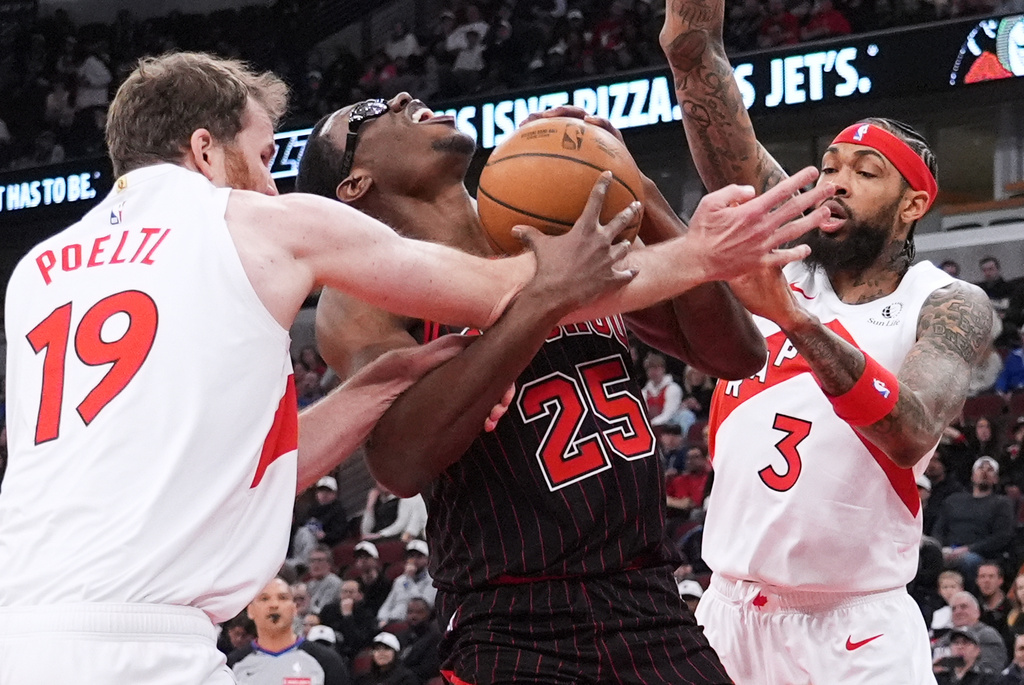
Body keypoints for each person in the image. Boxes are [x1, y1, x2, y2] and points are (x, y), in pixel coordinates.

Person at [0, 51, 641, 685]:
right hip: (148, 640)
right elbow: (504, 288)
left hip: (19, 631)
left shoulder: (36, 273)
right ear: (204, 151)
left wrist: (381, 384)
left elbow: (256, 466)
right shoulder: (253, 229)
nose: (269, 185)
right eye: (261, 158)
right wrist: (680, 245)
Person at [301, 91, 836, 682]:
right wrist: (544, 300)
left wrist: (630, 182)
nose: (403, 98)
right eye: (370, 112)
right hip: (511, 619)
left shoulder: (553, 222)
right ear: (354, 183)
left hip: (647, 600)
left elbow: (735, 354)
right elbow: (400, 460)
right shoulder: (364, 293)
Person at [659, 1, 995, 683]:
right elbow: (705, 82)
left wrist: (793, 318)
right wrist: (688, 43)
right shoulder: (787, 254)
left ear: (912, 205)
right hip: (727, 612)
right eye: (831, 165)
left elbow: (911, 432)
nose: (837, 181)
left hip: (855, 629)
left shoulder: (945, 301)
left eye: (866, 173)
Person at [227, 577, 351, 685]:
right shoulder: (233, 665)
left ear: (294, 609)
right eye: (264, 599)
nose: (274, 605)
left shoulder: (326, 661)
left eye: (282, 598)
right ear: (251, 611)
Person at [935, 457, 1016, 587]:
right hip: (948, 550)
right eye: (980, 468)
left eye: (990, 470)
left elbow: (1001, 536)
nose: (984, 472)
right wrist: (939, 549)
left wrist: (968, 549)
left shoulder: (1001, 503)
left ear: (996, 479)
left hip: (979, 554)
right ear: (972, 476)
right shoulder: (953, 500)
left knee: (968, 561)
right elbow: (938, 529)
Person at [375, 540, 436, 627]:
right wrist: (383, 619)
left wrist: (409, 580)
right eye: (411, 556)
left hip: (414, 624)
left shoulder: (432, 580)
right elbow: (387, 605)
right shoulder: (400, 581)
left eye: (419, 556)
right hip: (392, 621)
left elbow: (423, 605)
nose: (414, 560)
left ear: (427, 559)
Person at [292, 475, 350, 566]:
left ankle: (306, 564)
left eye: (328, 492)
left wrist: (325, 535)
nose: (324, 494)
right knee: (302, 531)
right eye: (321, 491)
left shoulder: (338, 511)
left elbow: (341, 532)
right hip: (306, 544)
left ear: (335, 494)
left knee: (305, 533)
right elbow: (301, 524)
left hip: (326, 545)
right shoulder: (312, 509)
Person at [318, 579, 378, 664]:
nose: (347, 595)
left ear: (360, 595)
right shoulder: (329, 609)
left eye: (351, 592)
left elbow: (359, 640)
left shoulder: (366, 613)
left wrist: (348, 617)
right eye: (344, 592)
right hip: (329, 648)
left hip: (352, 653)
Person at [360, 484, 428, 542]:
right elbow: (365, 531)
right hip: (378, 540)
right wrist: (370, 506)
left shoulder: (407, 498)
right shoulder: (377, 499)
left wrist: (380, 535)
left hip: (395, 539)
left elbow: (402, 525)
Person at [351, 541, 393, 616]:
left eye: (366, 557)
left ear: (375, 560)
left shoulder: (385, 584)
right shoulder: (355, 584)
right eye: (359, 557)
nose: (362, 560)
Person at [307, 545, 345, 615]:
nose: (315, 564)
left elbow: (322, 609)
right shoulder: (310, 584)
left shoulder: (333, 582)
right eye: (312, 561)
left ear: (329, 564)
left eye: (320, 560)